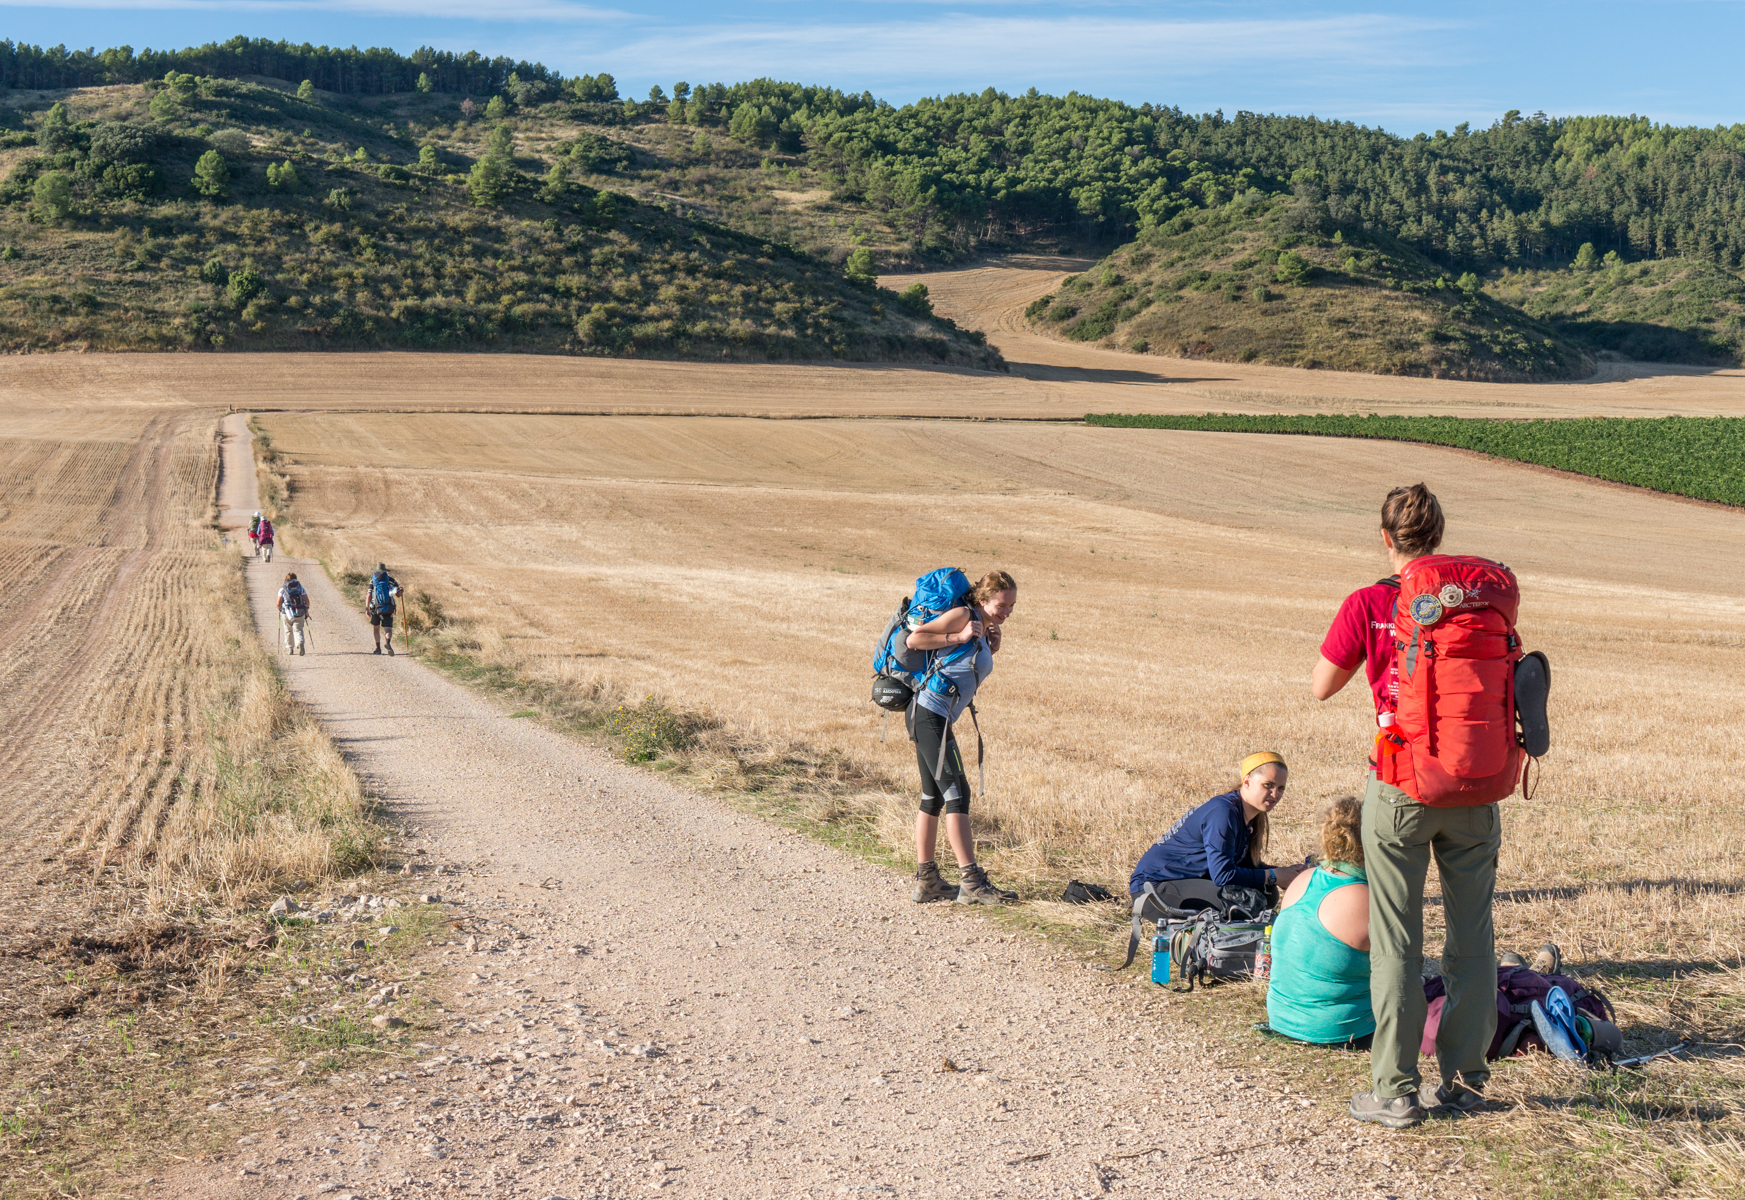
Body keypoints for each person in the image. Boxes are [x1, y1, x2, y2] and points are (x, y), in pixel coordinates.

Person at [1312, 483, 1504, 1128]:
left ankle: (1394, 1089)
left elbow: (1321, 687)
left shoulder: (1370, 602)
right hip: (1476, 787)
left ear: (1386, 538)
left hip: (1399, 784)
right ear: (1440, 538)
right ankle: (1467, 1082)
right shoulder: (1472, 601)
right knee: (1473, 938)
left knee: (1398, 938)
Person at [1266, 798, 1613, 1067]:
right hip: (1344, 1030)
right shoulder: (1367, 898)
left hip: (1285, 1020)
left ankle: (1519, 975)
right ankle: (1532, 983)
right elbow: (1406, 973)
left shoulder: (1304, 880)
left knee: (1466, 986)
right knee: (1471, 996)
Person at [905, 569, 1017, 906]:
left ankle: (927, 882)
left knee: (934, 797)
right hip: (929, 716)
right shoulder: (964, 616)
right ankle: (971, 883)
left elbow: (960, 666)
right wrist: (960, 636)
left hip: (933, 717)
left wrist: (989, 647)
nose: (1007, 611)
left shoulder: (982, 628)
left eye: (1012, 606)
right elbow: (916, 640)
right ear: (983, 599)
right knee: (957, 794)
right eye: (1002, 604)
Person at [1129, 752, 1310, 898]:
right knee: (1248, 902)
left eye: (1281, 788)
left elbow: (1242, 867)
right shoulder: (1223, 813)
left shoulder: (1247, 815)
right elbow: (1223, 875)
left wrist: (1283, 872)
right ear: (1246, 782)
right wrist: (1273, 876)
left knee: (1266, 894)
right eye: (1268, 785)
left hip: (1186, 882)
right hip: (1153, 887)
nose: (1275, 794)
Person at [365, 563, 400, 656]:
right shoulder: (391, 580)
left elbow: (369, 595)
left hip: (376, 608)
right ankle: (388, 643)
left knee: (376, 628)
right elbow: (398, 594)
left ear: (376, 571)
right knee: (388, 628)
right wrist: (401, 591)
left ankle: (378, 648)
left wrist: (366, 608)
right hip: (388, 607)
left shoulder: (373, 581)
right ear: (385, 571)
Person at [278, 572, 311, 656]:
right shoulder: (300, 588)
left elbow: (278, 603)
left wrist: (280, 609)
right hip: (300, 612)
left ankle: (289, 649)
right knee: (298, 629)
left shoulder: (282, 589)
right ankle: (300, 642)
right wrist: (306, 611)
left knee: (288, 630)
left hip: (287, 613)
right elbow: (307, 600)